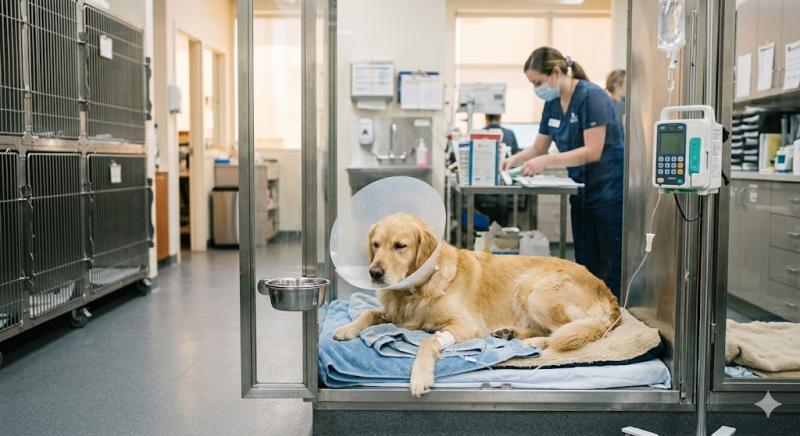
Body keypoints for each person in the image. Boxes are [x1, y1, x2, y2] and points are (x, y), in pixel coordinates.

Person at [501, 47, 624, 299]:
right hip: (580, 190)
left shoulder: (593, 97)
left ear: (556, 72)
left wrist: (546, 161)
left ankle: (618, 320)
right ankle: (590, 316)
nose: (536, 89)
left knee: (612, 264)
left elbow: (593, 151)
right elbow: (538, 147)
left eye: (538, 82)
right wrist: (511, 159)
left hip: (609, 191)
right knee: (585, 263)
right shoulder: (553, 103)